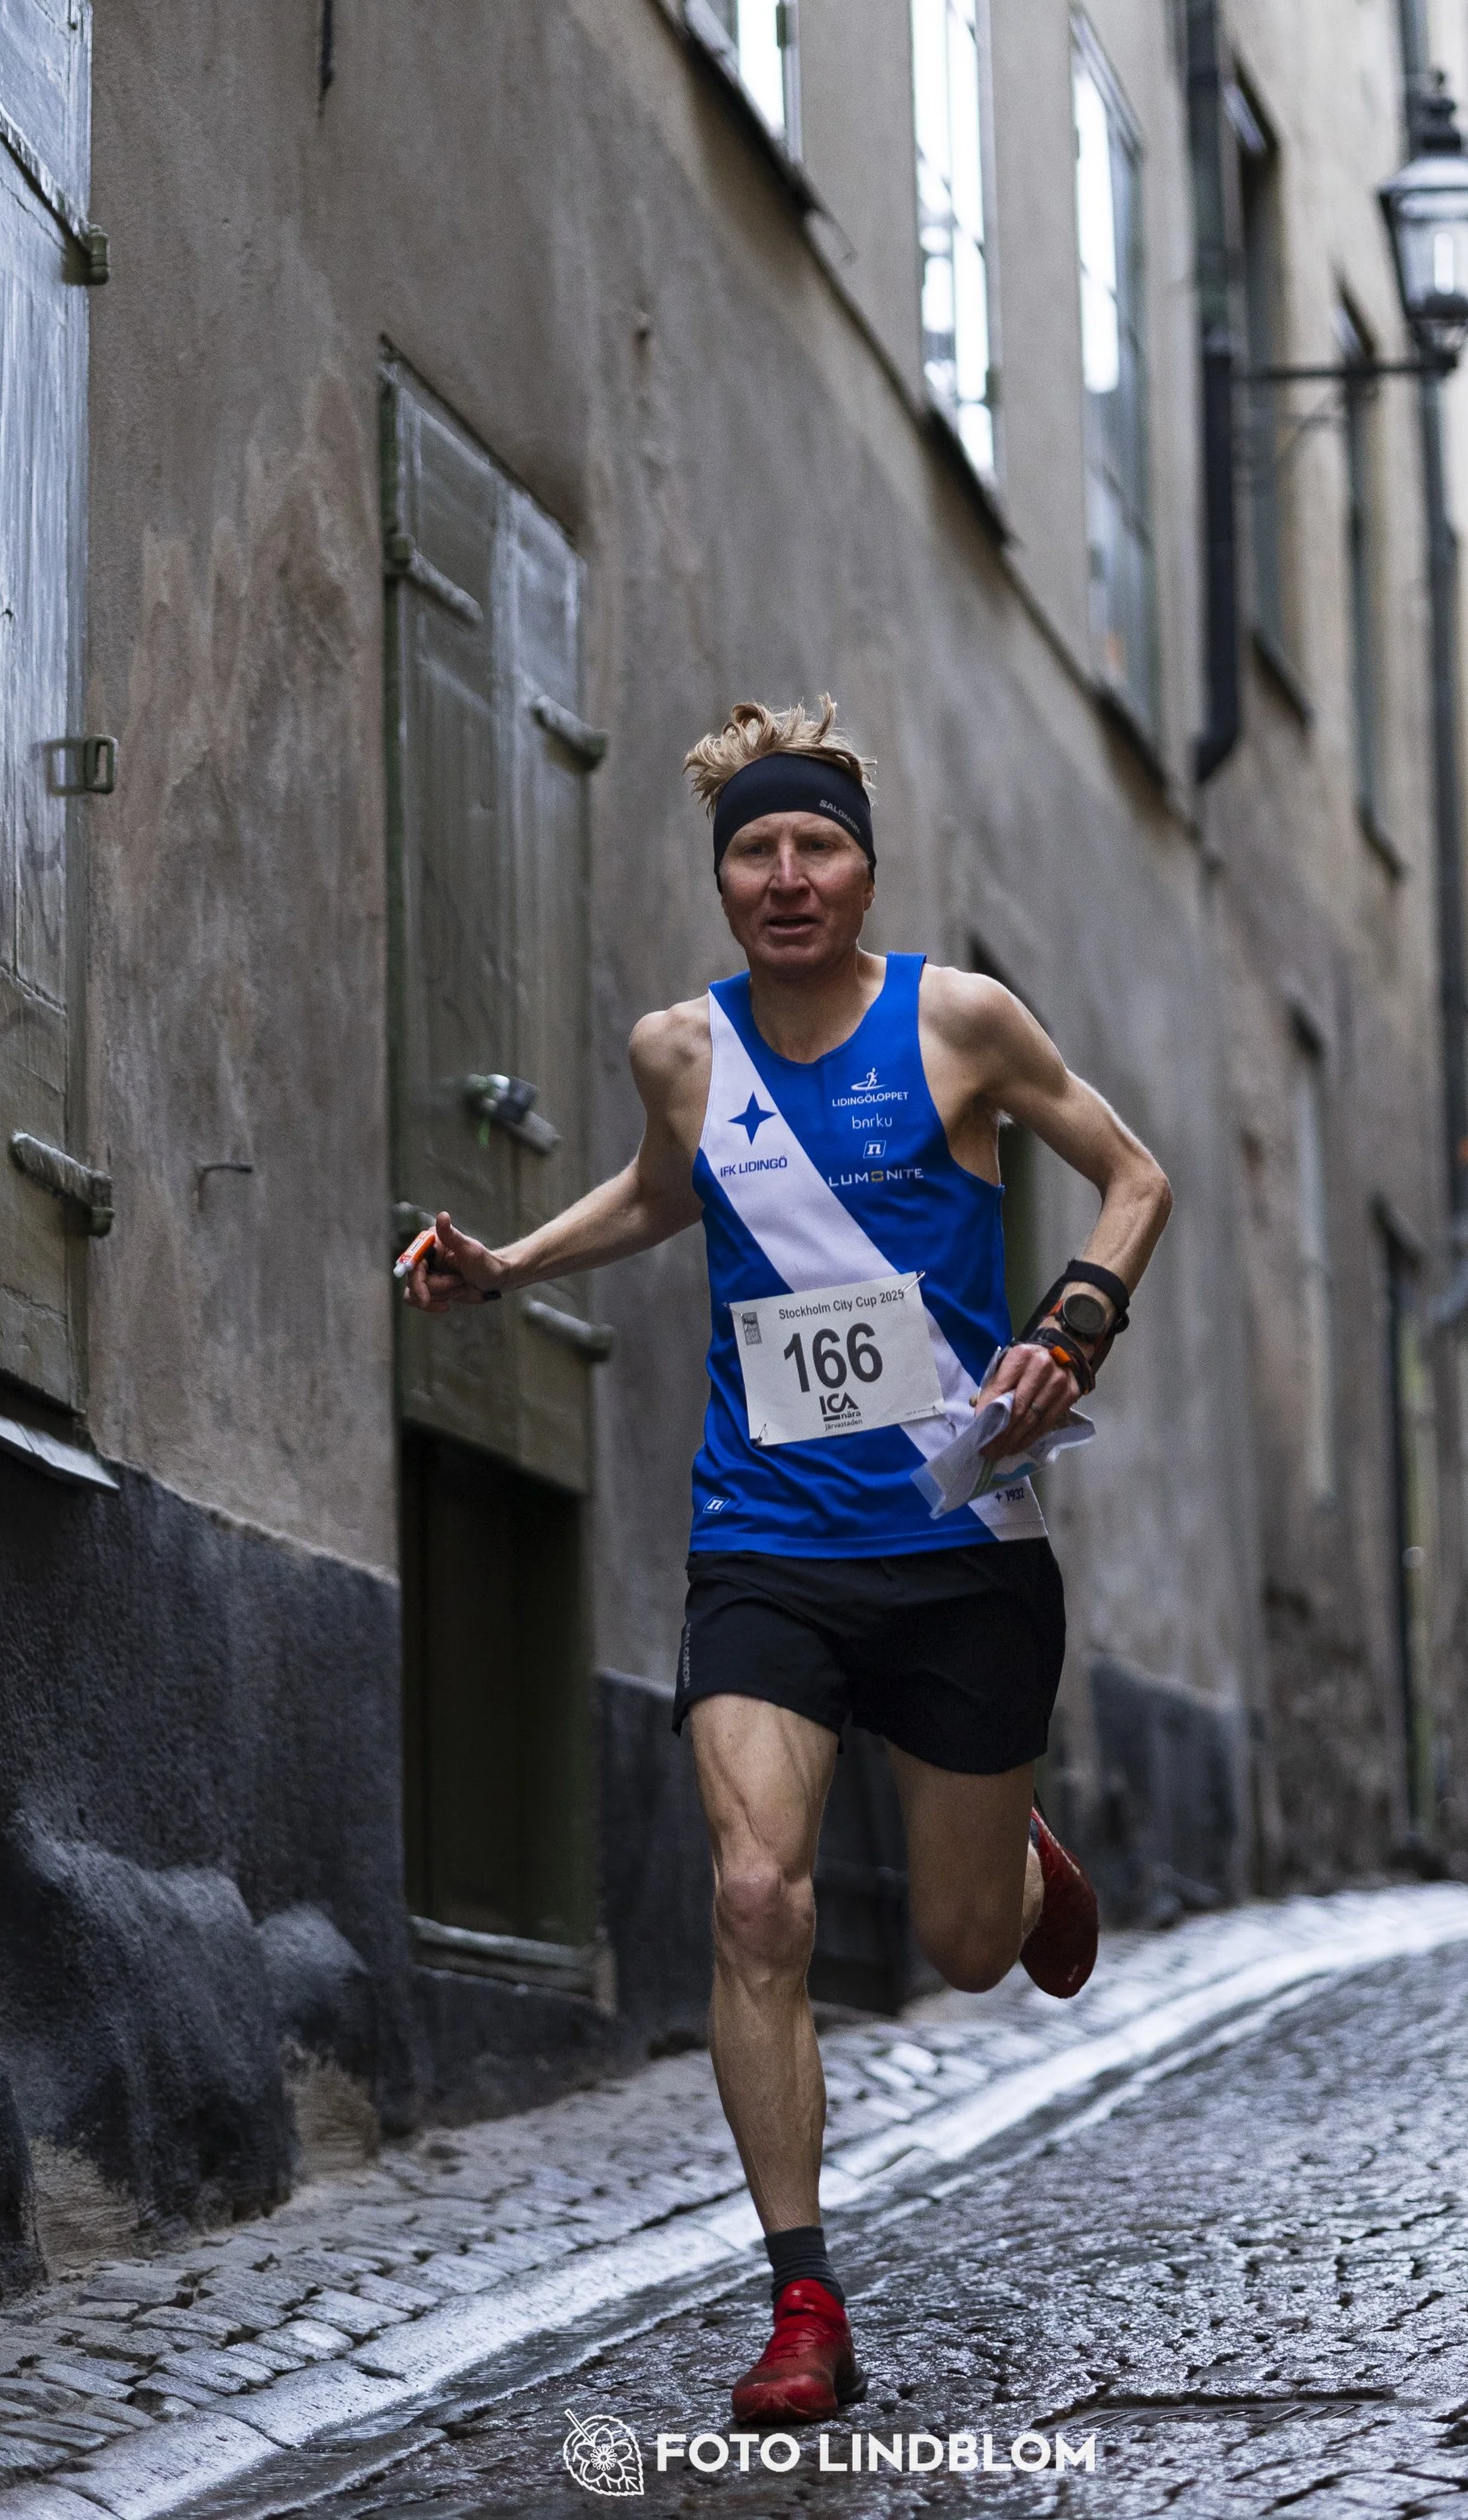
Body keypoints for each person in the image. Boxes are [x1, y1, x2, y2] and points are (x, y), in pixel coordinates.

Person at [405, 698, 1173, 2425]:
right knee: (758, 1895)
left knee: (967, 1944)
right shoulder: (683, 1050)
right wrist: (508, 1261)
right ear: (723, 875)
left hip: (961, 1538)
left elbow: (1132, 1175)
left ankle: (1024, 1871)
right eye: (752, 848)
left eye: (812, 842)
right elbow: (664, 1189)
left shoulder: (958, 1020)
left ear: (862, 864)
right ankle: (802, 2298)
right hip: (763, 1539)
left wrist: (1073, 1323)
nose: (783, 874)